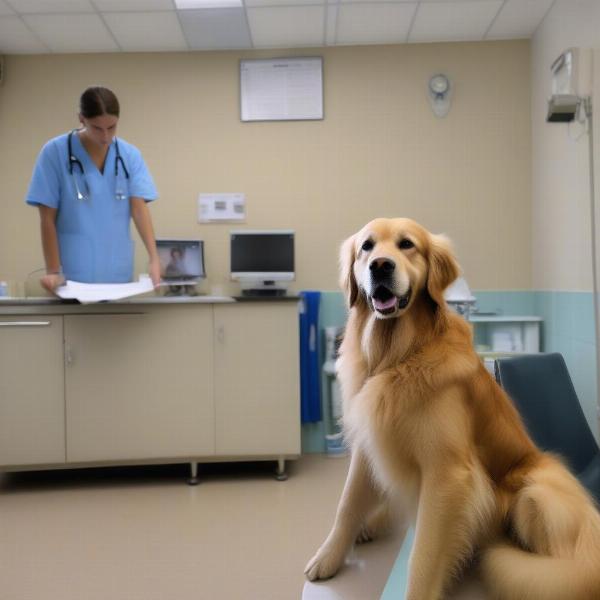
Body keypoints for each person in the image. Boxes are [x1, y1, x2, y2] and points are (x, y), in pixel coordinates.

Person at [25, 86, 161, 293]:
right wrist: (53, 271)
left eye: (112, 127)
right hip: (72, 279)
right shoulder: (54, 153)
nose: (106, 136)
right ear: (81, 119)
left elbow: (139, 209)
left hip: (118, 278)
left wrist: (154, 258)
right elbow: (47, 219)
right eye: (97, 128)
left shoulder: (129, 155)